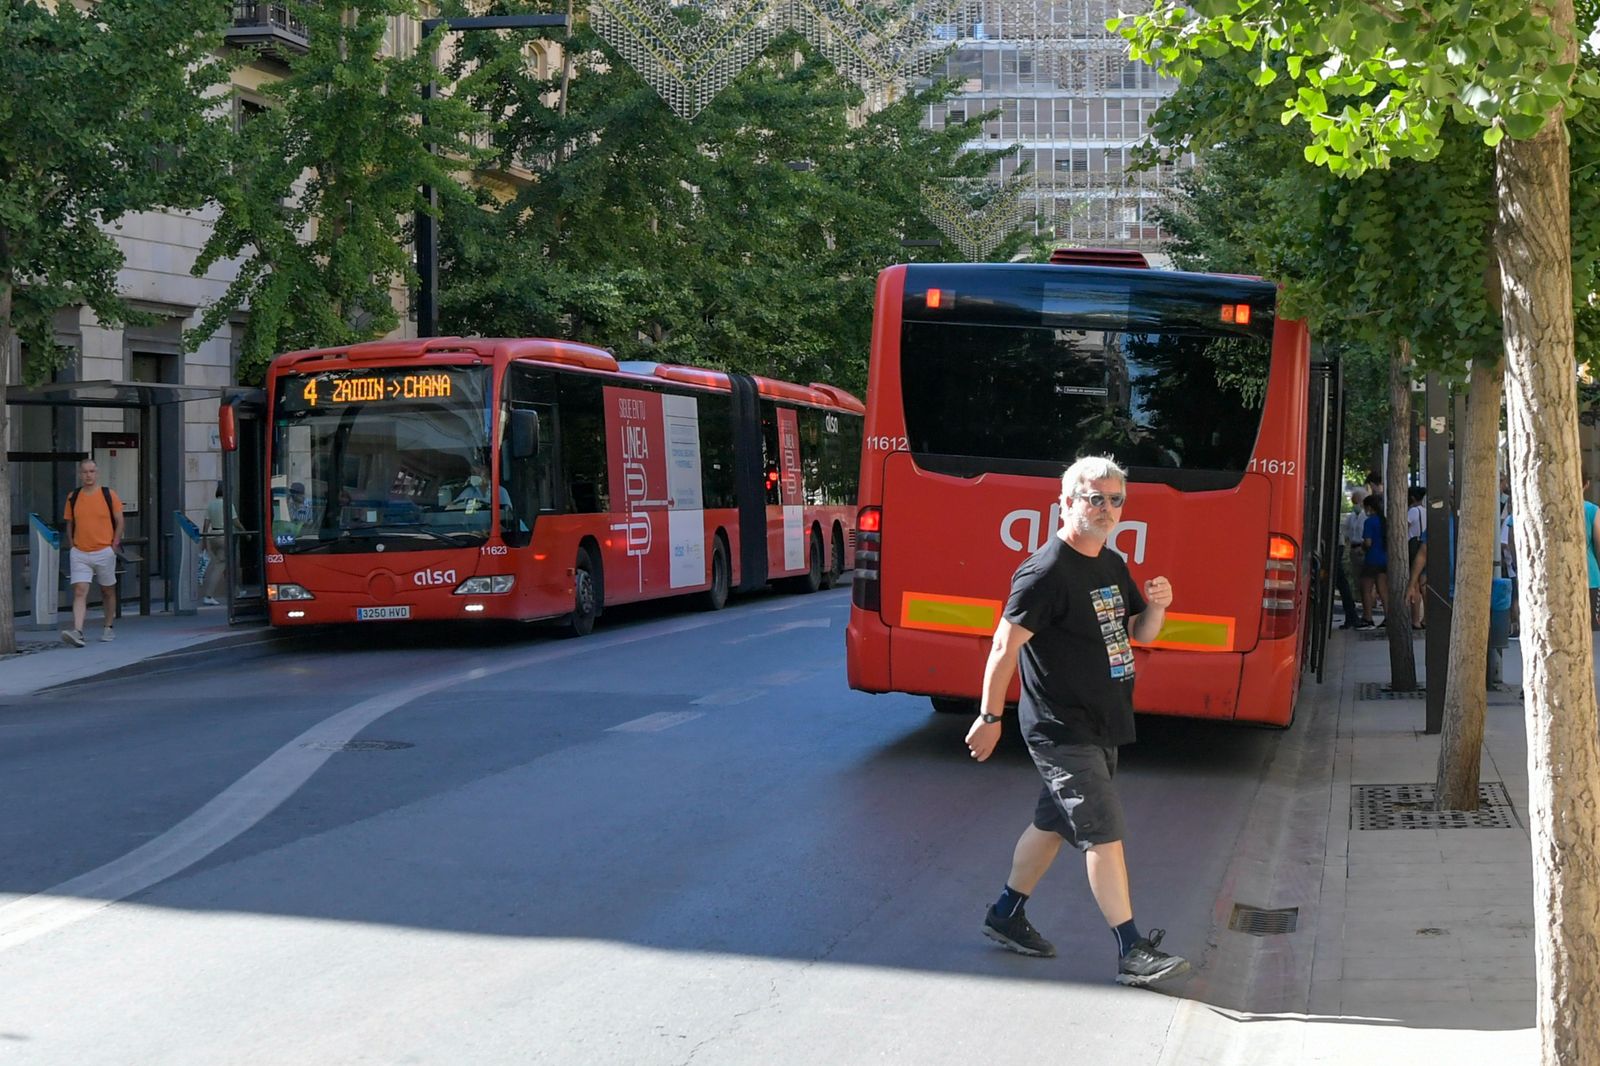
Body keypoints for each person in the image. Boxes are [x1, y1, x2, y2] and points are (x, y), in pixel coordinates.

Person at [964, 455, 1189, 989]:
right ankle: (1131, 949)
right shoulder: (1044, 571)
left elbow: (1140, 631)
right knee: (1102, 833)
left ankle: (1005, 914)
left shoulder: (1111, 563)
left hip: (1103, 720)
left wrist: (1159, 607)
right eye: (1096, 498)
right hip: (1061, 729)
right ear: (1067, 502)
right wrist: (989, 716)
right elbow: (1003, 647)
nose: (1108, 508)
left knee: (1054, 824)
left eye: (1116, 500)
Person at [61, 459, 125, 647]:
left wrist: (114, 544)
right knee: (80, 590)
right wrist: (73, 544)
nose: (88, 475)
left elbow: (120, 520)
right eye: (85, 472)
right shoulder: (73, 497)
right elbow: (70, 523)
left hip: (104, 549)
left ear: (97, 473)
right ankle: (78, 631)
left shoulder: (108, 495)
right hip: (80, 551)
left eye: (91, 471)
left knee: (107, 590)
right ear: (80, 474)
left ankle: (108, 626)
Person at [1339, 488, 1367, 629]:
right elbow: (1347, 531)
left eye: (1357, 502)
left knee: (1365, 583)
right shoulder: (1352, 517)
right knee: (1357, 582)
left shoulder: (1365, 516)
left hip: (1362, 549)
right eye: (1353, 502)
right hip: (1353, 548)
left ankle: (1365, 614)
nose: (1355, 504)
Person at [1359, 493, 1387, 628]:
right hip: (1384, 559)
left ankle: (1368, 617)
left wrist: (1362, 547)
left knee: (1366, 589)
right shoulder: (1384, 521)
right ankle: (1388, 617)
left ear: (1369, 507)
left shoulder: (1369, 522)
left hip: (1372, 559)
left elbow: (1368, 543)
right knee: (1383, 590)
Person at [1406, 486, 1427, 628]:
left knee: (1415, 585)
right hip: (1423, 543)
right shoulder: (1426, 511)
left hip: (1414, 547)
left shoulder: (1413, 511)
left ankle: (1415, 620)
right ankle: (1425, 618)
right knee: (1424, 583)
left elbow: (1404, 526)